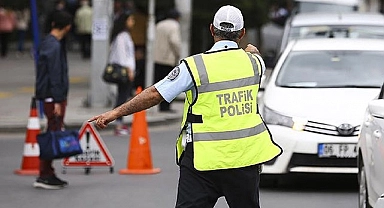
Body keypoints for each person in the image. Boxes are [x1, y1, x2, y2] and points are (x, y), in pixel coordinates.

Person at [89, 5, 282, 208]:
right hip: (244, 159)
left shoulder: (194, 66)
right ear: (242, 33)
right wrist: (251, 51)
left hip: (202, 160)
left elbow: (156, 93)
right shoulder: (255, 64)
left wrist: (116, 112)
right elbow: (255, 54)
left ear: (211, 30)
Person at [34, 11, 73, 190]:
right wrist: (58, 100)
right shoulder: (54, 46)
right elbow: (55, 75)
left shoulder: (48, 43)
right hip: (53, 97)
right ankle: (44, 174)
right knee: (52, 133)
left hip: (50, 95)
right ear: (67, 27)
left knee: (52, 131)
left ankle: (48, 172)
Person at [107, 11, 136, 136]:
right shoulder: (121, 36)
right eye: (131, 20)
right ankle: (118, 123)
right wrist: (129, 70)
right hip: (124, 71)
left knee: (123, 96)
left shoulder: (125, 35)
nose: (132, 22)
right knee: (122, 97)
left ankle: (119, 122)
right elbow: (122, 56)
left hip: (127, 70)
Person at [153, 8, 181, 112]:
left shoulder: (159, 25)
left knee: (160, 83)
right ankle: (166, 107)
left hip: (157, 57)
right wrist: (178, 53)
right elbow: (174, 41)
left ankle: (160, 105)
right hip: (168, 59)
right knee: (170, 84)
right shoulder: (174, 26)